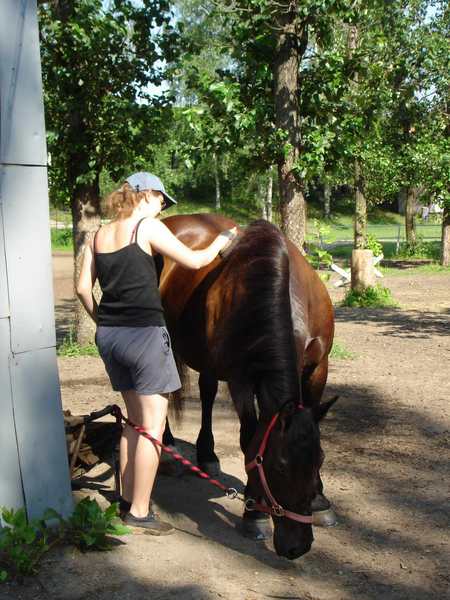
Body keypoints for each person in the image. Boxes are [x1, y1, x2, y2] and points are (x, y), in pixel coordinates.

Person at [76, 172, 237, 534]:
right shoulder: (146, 228)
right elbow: (195, 262)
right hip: (145, 336)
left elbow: (83, 288)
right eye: (162, 199)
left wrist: (102, 321)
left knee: (133, 421)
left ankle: (127, 497)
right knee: (151, 427)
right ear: (144, 194)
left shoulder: (98, 235)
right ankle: (140, 511)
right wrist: (224, 238)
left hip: (111, 338)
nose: (163, 207)